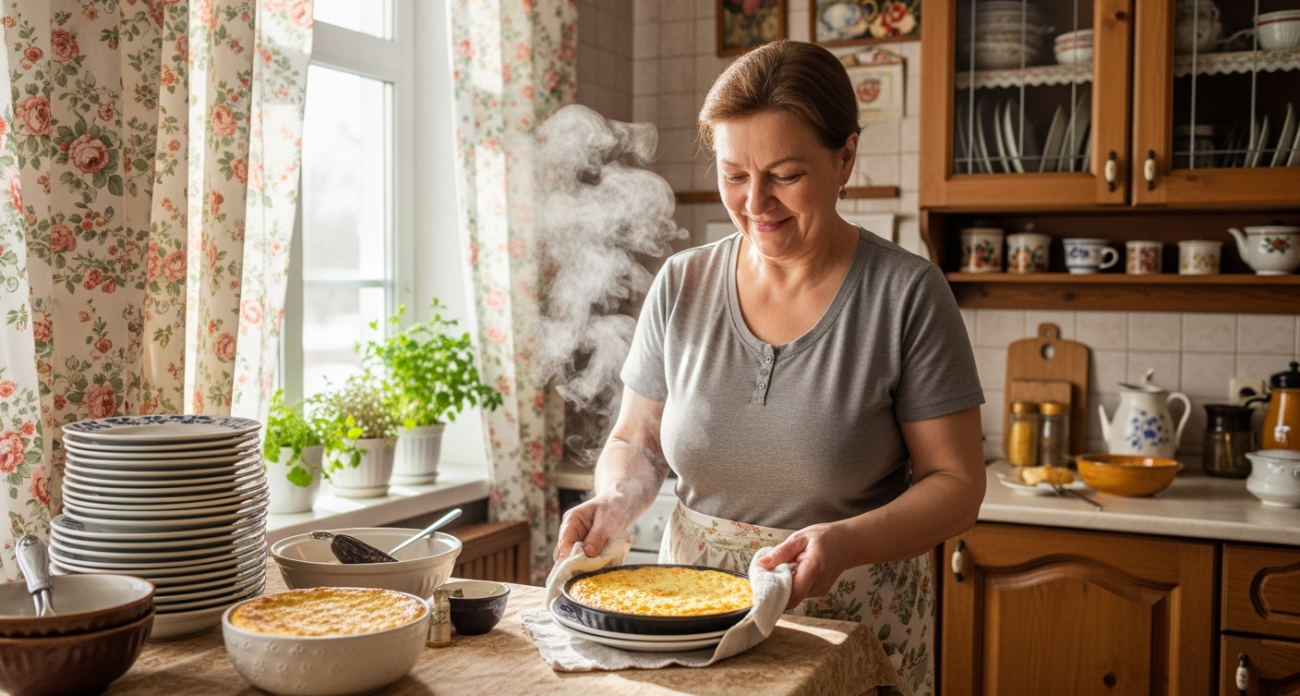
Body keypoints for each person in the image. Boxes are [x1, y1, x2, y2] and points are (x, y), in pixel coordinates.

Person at [554, 40, 985, 696]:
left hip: (849, 627)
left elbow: (956, 483)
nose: (757, 202)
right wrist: (615, 498)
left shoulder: (907, 295)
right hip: (692, 630)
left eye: (784, 174)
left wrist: (841, 544)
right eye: (734, 174)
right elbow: (634, 443)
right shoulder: (682, 283)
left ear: (845, 157)